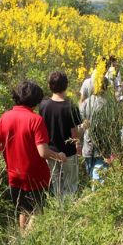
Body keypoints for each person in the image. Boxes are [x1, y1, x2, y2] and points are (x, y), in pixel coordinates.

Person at [0, 80, 67, 231]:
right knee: (37, 211)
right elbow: (43, 152)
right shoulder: (36, 120)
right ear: (36, 100)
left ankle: (22, 237)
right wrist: (59, 156)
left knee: (23, 209)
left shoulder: (5, 117)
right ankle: (28, 240)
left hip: (14, 175)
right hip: (36, 176)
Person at [39, 71, 82, 199]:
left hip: (50, 152)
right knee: (70, 186)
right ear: (66, 85)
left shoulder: (43, 105)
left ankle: (58, 207)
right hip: (68, 152)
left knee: (55, 185)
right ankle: (69, 208)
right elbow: (74, 132)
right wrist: (78, 145)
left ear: (49, 85)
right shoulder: (71, 105)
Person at [80, 78, 109, 184]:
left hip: (88, 143)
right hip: (103, 144)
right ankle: (96, 190)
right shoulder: (108, 103)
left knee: (91, 172)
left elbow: (81, 121)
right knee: (98, 174)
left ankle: (94, 189)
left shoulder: (86, 102)